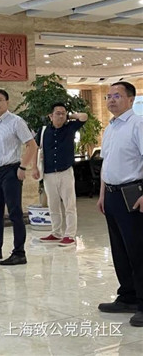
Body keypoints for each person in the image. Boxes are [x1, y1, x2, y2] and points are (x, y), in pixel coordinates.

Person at [96, 81, 143, 327]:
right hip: (112, 195)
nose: (111, 100)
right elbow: (107, 163)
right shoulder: (111, 127)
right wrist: (102, 194)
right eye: (108, 96)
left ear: (131, 99)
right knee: (120, 249)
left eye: (117, 96)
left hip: (133, 193)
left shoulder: (138, 124)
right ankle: (127, 297)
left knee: (138, 250)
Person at [0, 89, 37, 266]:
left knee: (14, 212)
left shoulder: (16, 121)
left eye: (0, 100)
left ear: (7, 102)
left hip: (11, 171)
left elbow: (32, 145)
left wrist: (23, 167)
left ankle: (19, 252)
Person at [32, 103, 88, 246]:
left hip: (65, 172)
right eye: (58, 113)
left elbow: (84, 116)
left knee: (69, 204)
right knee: (53, 204)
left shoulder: (70, 128)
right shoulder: (43, 131)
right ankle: (56, 233)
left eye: (63, 113)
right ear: (50, 116)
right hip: (48, 173)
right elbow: (35, 148)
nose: (61, 116)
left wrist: (69, 116)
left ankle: (70, 235)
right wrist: (34, 167)